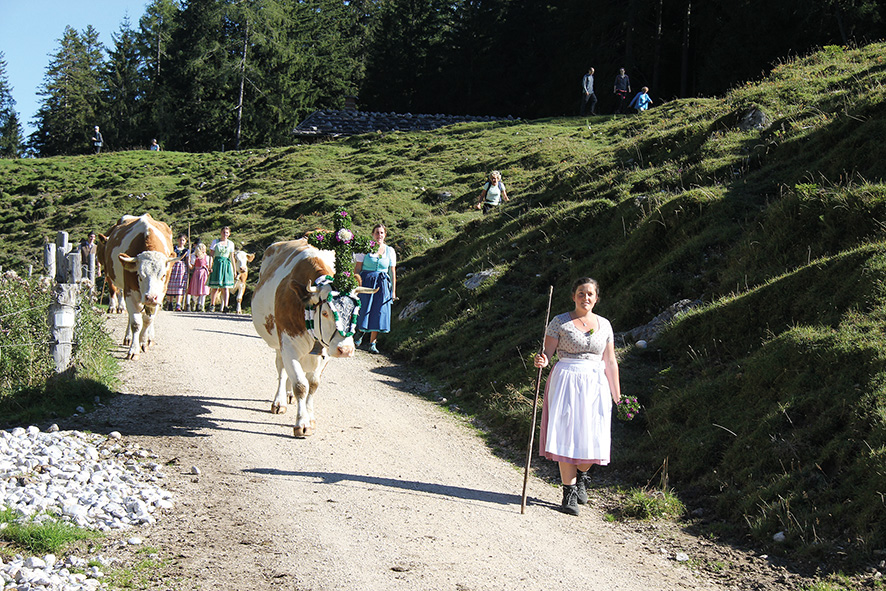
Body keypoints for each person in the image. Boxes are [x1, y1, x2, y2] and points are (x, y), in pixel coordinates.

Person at [534, 277, 621, 516]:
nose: (585, 298)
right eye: (581, 293)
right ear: (573, 296)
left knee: (593, 434)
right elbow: (547, 352)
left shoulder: (605, 325)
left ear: (597, 298)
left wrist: (618, 395)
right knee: (566, 433)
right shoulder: (559, 322)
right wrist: (542, 360)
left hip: (596, 384)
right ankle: (569, 492)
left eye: (590, 294)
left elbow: (610, 361)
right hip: (566, 380)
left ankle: (582, 474)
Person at [354, 224, 397, 354]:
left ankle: (372, 343)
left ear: (385, 235)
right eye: (377, 233)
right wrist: (355, 283)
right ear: (372, 235)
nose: (379, 235)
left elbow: (392, 272)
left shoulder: (390, 251)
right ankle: (360, 332)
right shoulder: (365, 248)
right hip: (366, 281)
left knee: (379, 311)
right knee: (364, 308)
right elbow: (358, 268)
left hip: (382, 283)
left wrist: (393, 291)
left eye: (381, 233)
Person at [208, 226, 235, 312]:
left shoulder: (231, 243)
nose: (225, 234)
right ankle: (212, 304)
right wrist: (210, 265)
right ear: (221, 233)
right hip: (217, 264)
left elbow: (232, 257)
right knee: (215, 287)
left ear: (229, 234)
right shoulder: (215, 242)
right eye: (223, 232)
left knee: (226, 287)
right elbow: (211, 255)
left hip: (226, 265)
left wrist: (234, 270)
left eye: (227, 232)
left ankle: (226, 306)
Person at [165, 234, 190, 311]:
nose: (181, 241)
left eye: (183, 240)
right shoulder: (173, 249)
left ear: (185, 241)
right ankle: (170, 303)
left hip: (181, 268)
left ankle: (178, 304)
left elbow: (187, 260)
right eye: (180, 240)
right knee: (170, 285)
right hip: (173, 266)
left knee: (180, 285)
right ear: (177, 240)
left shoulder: (186, 251)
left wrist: (188, 268)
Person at [187, 242, 210, 312]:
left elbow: (208, 266)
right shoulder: (195, 257)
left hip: (204, 274)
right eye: (203, 248)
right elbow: (191, 267)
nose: (204, 250)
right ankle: (194, 302)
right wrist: (188, 262)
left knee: (203, 289)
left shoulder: (206, 257)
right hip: (197, 273)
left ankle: (201, 305)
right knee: (196, 288)